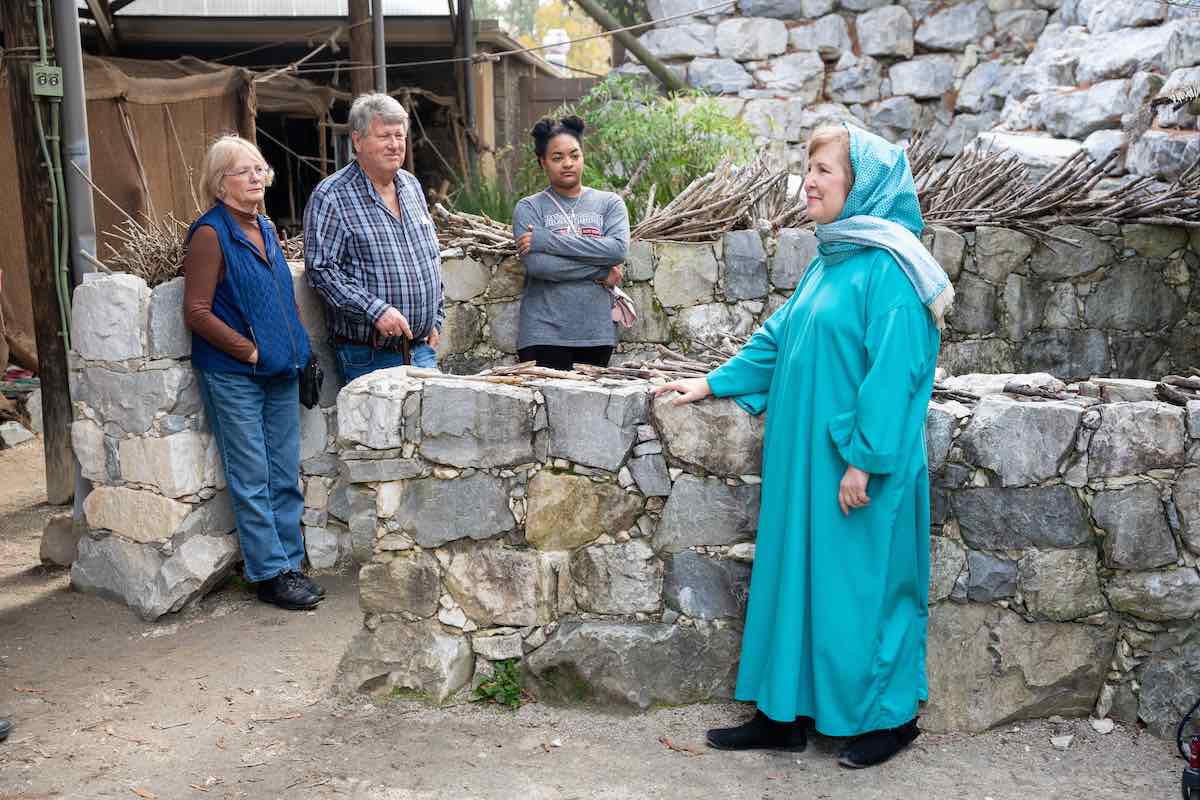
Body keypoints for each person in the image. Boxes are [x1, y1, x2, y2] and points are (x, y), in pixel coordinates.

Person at [655, 123, 952, 769]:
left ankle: (888, 719)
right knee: (794, 582)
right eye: (808, 167)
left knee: (862, 592)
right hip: (805, 464)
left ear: (860, 184)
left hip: (855, 467)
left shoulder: (893, 269)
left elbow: (897, 373)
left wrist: (864, 461)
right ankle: (782, 714)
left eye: (823, 169)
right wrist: (710, 381)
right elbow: (778, 337)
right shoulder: (834, 259)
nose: (808, 180)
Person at [183, 134, 324, 611]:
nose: (256, 177)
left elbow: (282, 303)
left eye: (260, 168)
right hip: (234, 374)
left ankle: (290, 562)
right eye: (244, 171)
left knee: (283, 472)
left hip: (282, 372)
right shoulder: (210, 233)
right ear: (220, 184)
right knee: (251, 475)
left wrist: (301, 352)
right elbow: (198, 312)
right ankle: (269, 574)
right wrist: (251, 354)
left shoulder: (265, 227)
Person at [304, 93, 444, 383]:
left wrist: (435, 318)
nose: (395, 145)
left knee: (431, 430)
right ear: (358, 141)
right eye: (384, 136)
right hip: (369, 354)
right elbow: (321, 270)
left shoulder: (411, 186)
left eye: (399, 135)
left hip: (421, 349)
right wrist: (377, 312)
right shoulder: (331, 195)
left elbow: (429, 255)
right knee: (380, 431)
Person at [512, 116, 629, 371]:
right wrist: (600, 270)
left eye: (574, 155)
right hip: (543, 334)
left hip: (596, 334)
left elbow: (617, 249)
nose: (568, 164)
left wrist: (546, 239)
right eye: (557, 158)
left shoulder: (610, 203)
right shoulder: (529, 207)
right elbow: (540, 266)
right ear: (542, 162)